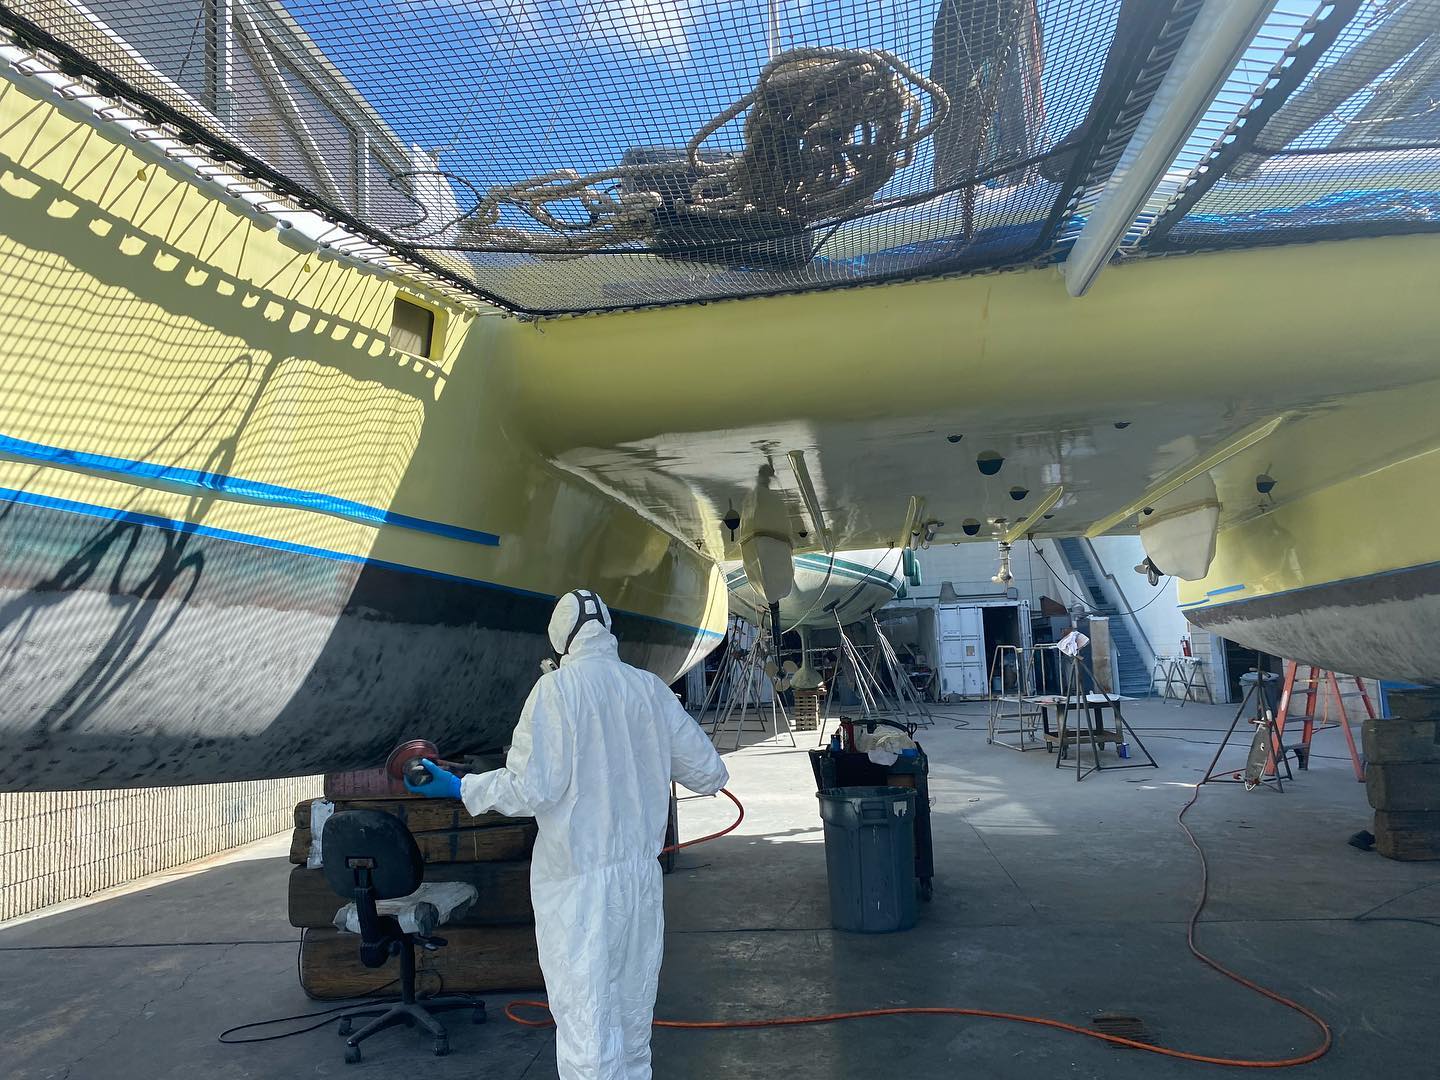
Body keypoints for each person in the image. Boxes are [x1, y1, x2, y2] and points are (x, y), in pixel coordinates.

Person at [406, 589, 728, 1080]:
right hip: (640, 883)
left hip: (578, 888)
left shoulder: (555, 693)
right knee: (631, 1015)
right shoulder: (648, 688)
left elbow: (531, 789)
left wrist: (462, 786)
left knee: (586, 1022)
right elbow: (709, 774)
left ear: (561, 639)